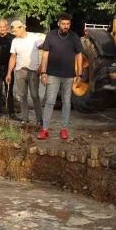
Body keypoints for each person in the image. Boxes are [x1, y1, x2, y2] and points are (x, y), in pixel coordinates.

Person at [38, 12, 82, 140]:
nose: (65, 26)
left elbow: (79, 55)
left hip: (69, 75)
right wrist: (43, 72)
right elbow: (45, 54)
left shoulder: (74, 37)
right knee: (50, 101)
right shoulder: (51, 35)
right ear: (58, 24)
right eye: (63, 24)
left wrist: (79, 74)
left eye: (68, 24)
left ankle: (64, 129)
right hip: (52, 74)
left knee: (66, 102)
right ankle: (45, 130)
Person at [5, 20, 45, 126]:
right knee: (22, 95)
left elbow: (45, 49)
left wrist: (42, 66)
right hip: (19, 71)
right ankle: (25, 118)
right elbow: (13, 57)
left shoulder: (34, 38)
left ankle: (39, 119)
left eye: (15, 31)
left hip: (33, 71)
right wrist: (9, 73)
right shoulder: (15, 41)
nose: (14, 33)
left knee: (35, 95)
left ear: (22, 28)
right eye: (13, 31)